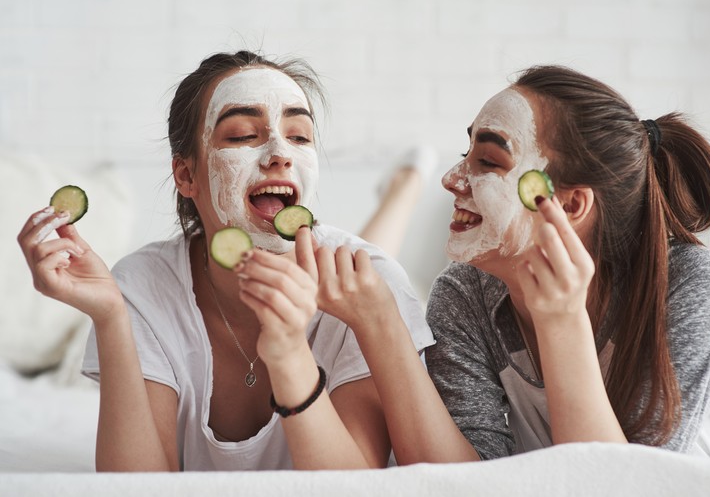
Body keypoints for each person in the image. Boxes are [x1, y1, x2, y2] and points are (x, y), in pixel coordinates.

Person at [303, 64, 710, 463]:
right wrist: (382, 324)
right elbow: (463, 481)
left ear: (571, 204)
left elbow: (622, 487)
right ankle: (404, 183)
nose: (452, 179)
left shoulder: (689, 282)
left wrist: (561, 321)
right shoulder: (465, 294)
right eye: (465, 155)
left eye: (489, 161)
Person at [17, 50, 433, 471]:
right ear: (186, 176)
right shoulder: (142, 285)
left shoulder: (371, 279)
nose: (280, 153)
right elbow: (136, 486)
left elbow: (354, 486)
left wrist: (290, 352)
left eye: (300, 136)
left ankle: (405, 186)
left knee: (374, 252)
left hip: (356, 267)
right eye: (240, 136)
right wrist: (111, 316)